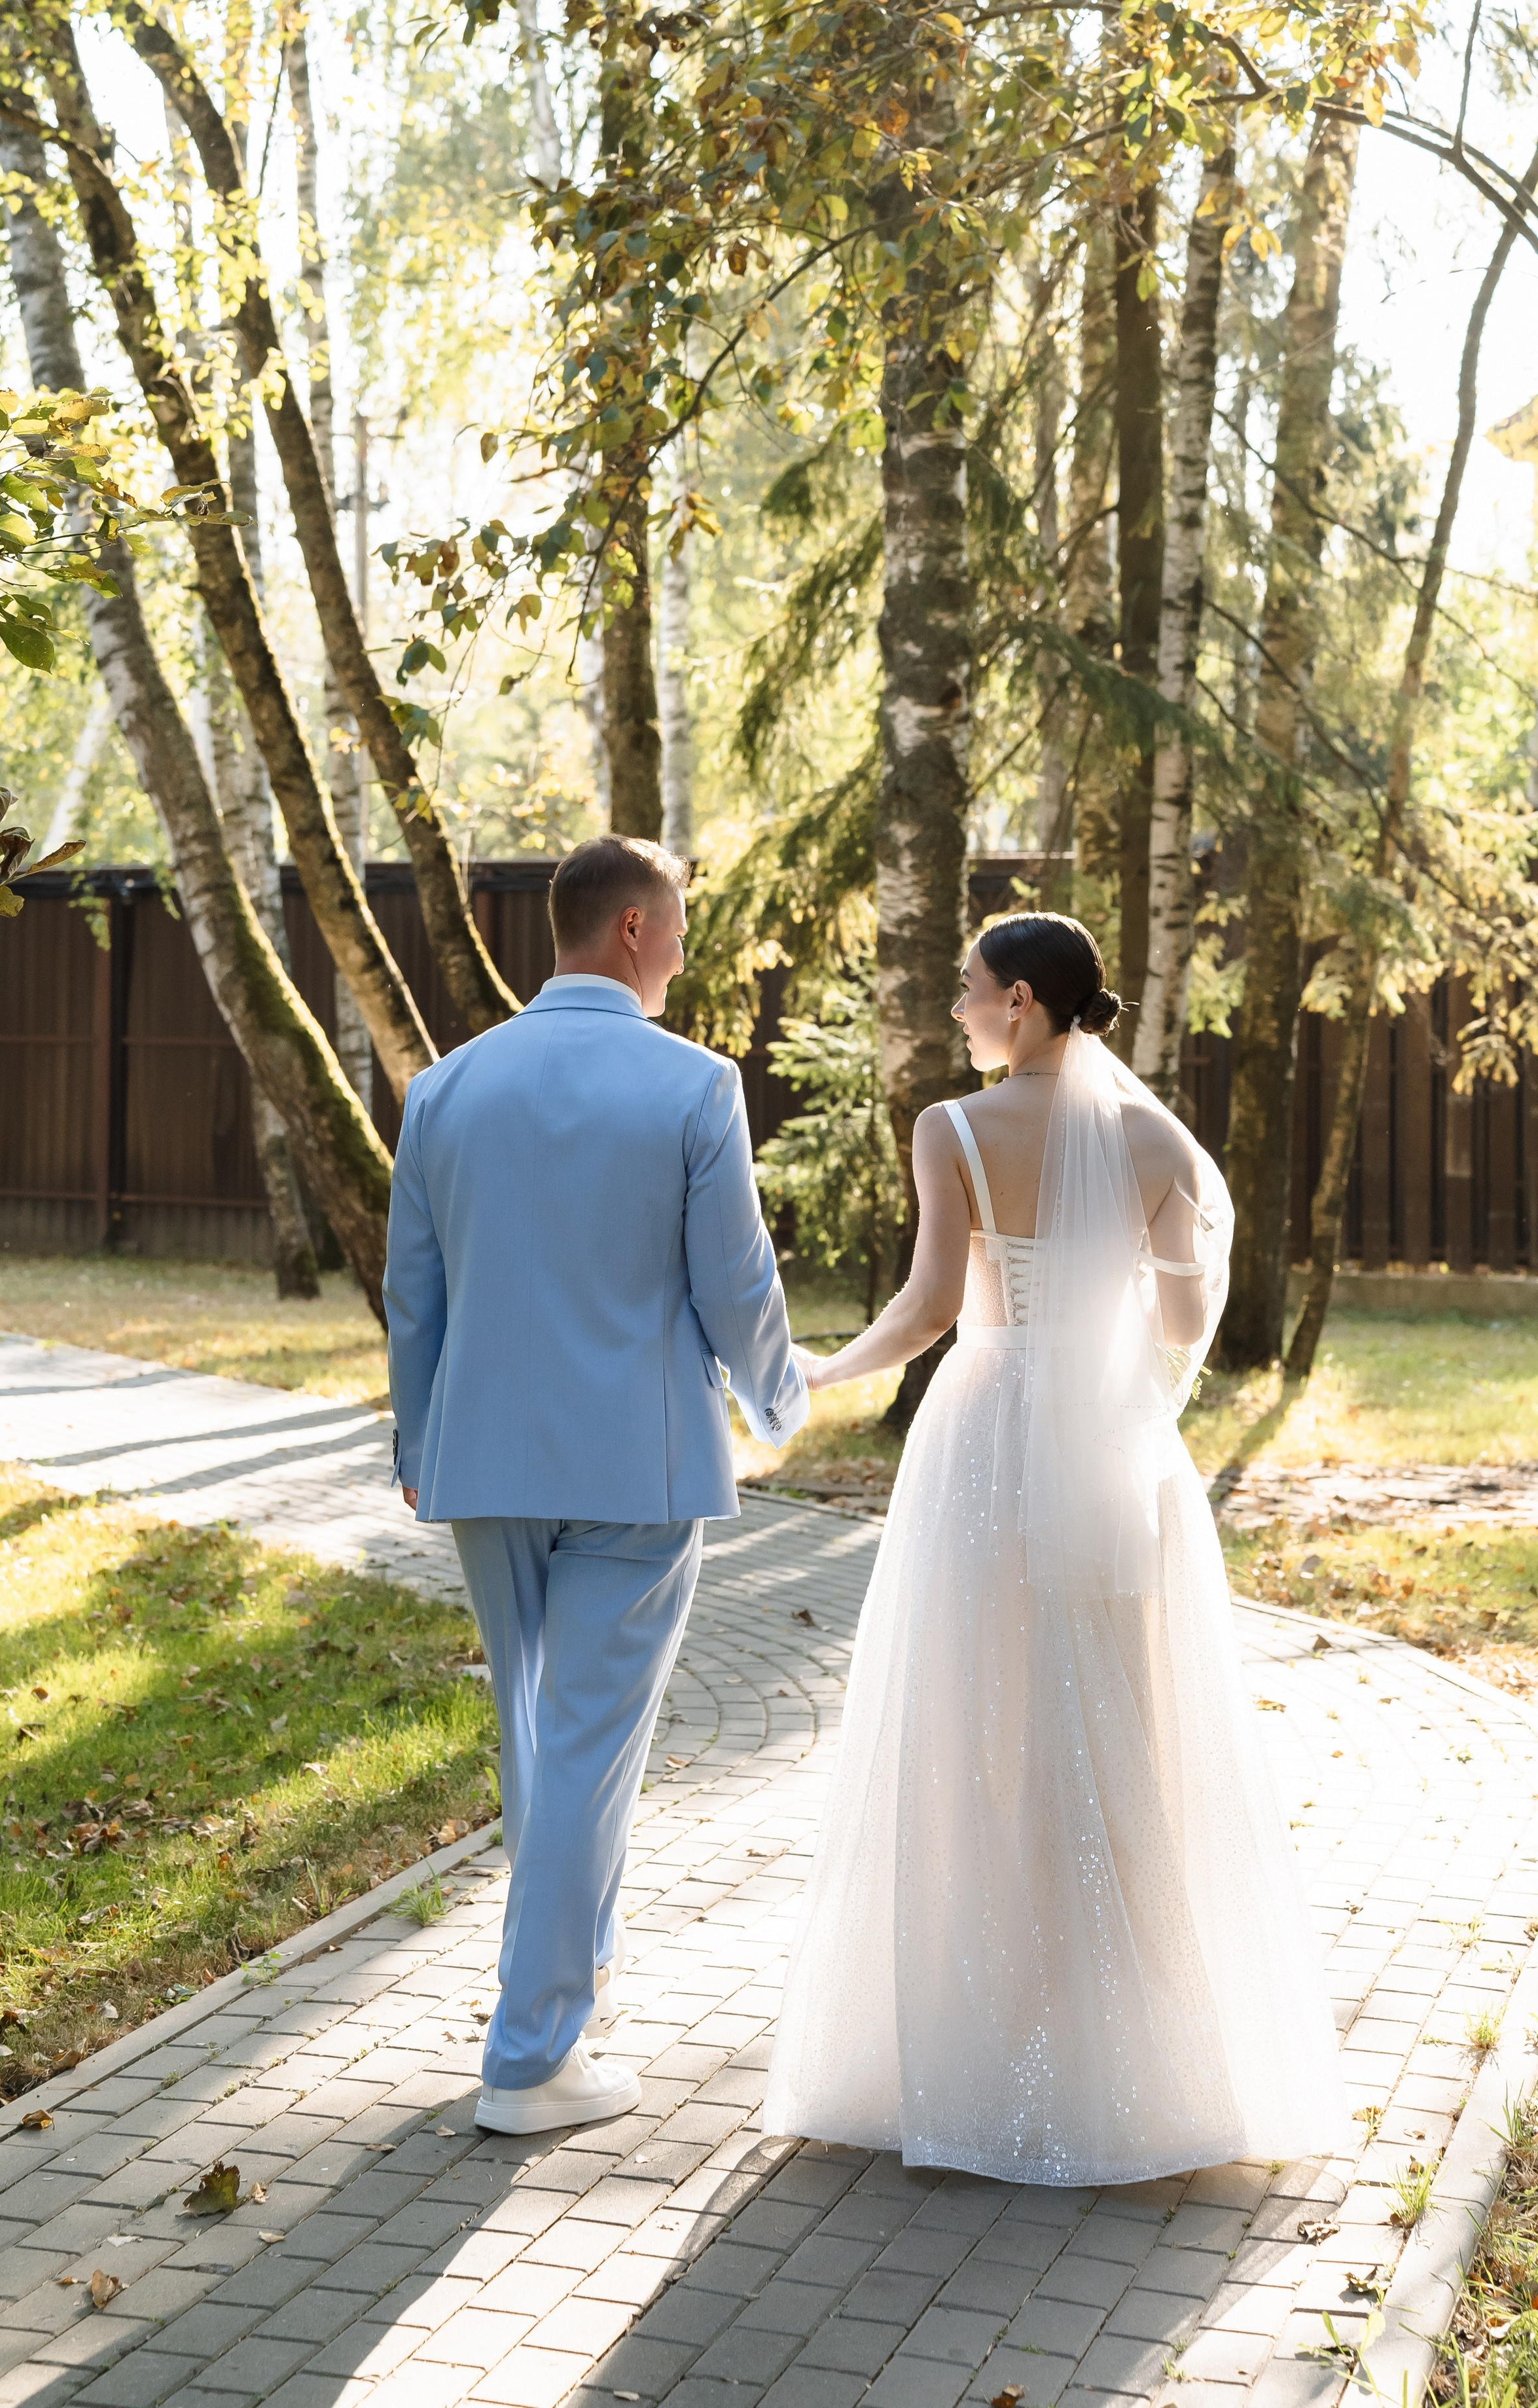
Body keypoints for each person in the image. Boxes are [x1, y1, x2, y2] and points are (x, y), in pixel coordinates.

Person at [765, 911, 1346, 2182]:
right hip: (1113, 1448)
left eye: (970, 994)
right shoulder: (1153, 1139)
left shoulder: (954, 1131)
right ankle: (1139, 2051)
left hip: (980, 1447)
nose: (958, 1014)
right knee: (1121, 1724)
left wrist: (820, 1372)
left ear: (1019, 1001)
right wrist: (1113, 1405)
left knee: (976, 1724)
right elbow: (1185, 1313)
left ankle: (984, 2042)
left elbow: (925, 1311)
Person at [385, 835, 807, 2135]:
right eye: (676, 926)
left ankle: (578, 1993)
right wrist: (780, 1404)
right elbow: (733, 1282)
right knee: (580, 1753)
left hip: (483, 1462)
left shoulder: (446, 1089)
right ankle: (531, 2055)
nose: (682, 951)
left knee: (540, 1745)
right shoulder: (691, 1085)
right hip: (636, 1467)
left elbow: (415, 1295)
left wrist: (417, 1447)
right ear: (630, 929)